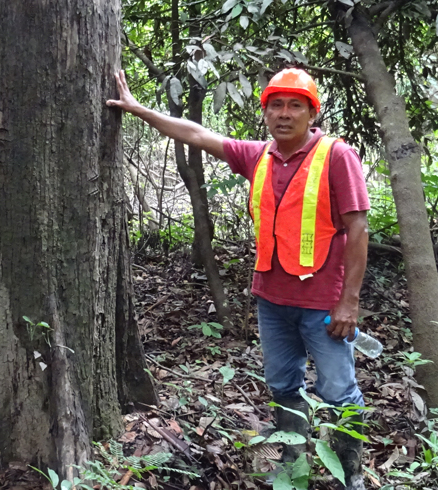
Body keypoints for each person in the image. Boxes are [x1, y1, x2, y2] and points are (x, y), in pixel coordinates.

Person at [107, 68, 369, 490]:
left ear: (311, 112)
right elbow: (196, 134)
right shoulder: (258, 156)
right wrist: (139, 110)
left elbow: (358, 229)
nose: (284, 114)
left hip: (325, 303)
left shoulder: (336, 156)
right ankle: (292, 464)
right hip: (272, 300)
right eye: (276, 106)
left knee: (339, 391)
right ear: (265, 113)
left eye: (294, 106)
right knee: (284, 383)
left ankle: (351, 476)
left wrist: (349, 302)